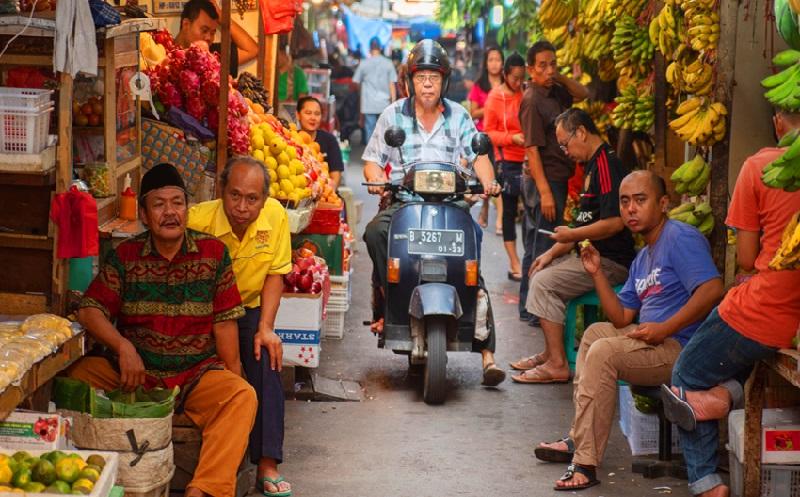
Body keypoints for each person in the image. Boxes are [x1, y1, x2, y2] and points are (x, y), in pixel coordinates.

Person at [70, 163, 257, 497]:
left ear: (187, 208)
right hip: (135, 375)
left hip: (195, 374)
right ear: (143, 213)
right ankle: (93, 478)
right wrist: (123, 348)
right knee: (73, 379)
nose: (170, 212)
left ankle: (203, 489)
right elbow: (90, 310)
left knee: (242, 396)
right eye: (159, 205)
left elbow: (225, 322)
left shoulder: (213, 253)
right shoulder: (125, 255)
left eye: (177, 202)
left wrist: (233, 376)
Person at [533, 170, 723, 491]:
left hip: (682, 350)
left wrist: (664, 328)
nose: (631, 209)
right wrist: (595, 273)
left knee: (604, 352)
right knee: (595, 334)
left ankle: (585, 463)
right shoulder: (642, 258)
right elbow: (621, 317)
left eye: (640, 200)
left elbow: (713, 289)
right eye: (624, 202)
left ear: (663, 204)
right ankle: (580, 438)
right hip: (654, 343)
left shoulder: (679, 237)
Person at [660, 109, 800, 497]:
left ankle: (707, 484)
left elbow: (745, 258)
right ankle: (724, 397)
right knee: (730, 362)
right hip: (793, 323)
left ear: (777, 121)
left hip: (767, 308)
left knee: (687, 374)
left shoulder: (758, 167)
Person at [361, 39, 505, 386]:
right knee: (375, 232)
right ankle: (389, 300)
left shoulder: (459, 116)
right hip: (404, 201)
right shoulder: (392, 115)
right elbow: (371, 161)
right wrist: (378, 179)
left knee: (470, 245)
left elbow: (478, 155)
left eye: (434, 77)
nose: (428, 84)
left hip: (451, 202)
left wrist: (489, 183)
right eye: (421, 76)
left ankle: (486, 349)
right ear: (411, 80)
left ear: (444, 81)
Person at [187, 158, 293, 497]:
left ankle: (267, 462)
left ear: (264, 199)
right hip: (202, 312)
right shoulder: (198, 221)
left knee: (268, 357)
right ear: (221, 192)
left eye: (252, 199)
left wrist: (266, 327)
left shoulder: (275, 216)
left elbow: (275, 274)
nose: (242, 207)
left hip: (247, 310)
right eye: (234, 196)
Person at [510, 109, 635, 383]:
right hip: (593, 256)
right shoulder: (591, 165)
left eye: (565, 144)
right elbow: (581, 226)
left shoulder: (606, 165)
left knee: (544, 283)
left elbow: (615, 222)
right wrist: (551, 251)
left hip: (610, 263)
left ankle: (557, 364)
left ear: (581, 132)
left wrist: (570, 237)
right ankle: (550, 352)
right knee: (542, 268)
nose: (565, 151)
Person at [518, 41, 589, 325]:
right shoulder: (532, 100)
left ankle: (531, 307)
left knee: (544, 241)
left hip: (559, 177)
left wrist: (557, 76)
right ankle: (533, 309)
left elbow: (583, 93)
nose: (548, 70)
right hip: (543, 181)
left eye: (553, 64)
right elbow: (532, 150)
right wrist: (545, 192)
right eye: (542, 65)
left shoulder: (556, 90)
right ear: (530, 69)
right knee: (541, 244)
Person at [483, 52, 526, 281]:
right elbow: (489, 132)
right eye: (515, 78)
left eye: (521, 78)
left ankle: (528, 259)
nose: (518, 83)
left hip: (529, 160)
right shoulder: (495, 98)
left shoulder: (526, 93)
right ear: (506, 75)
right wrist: (512, 138)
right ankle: (514, 262)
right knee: (508, 213)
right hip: (507, 160)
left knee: (529, 211)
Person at [174, 0, 258, 79]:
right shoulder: (164, 53)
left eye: (212, 33)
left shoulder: (213, 56)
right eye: (204, 30)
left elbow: (252, 50)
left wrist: (222, 18)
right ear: (186, 24)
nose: (209, 38)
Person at [469, 47, 504, 233]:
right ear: (486, 63)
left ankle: (489, 212)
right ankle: (496, 217)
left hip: (504, 138)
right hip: (485, 139)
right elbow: (473, 112)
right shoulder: (479, 85)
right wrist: (491, 104)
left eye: (498, 59)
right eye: (491, 60)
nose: (494, 63)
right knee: (489, 177)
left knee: (498, 176)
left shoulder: (508, 84)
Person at [353, 37, 398, 145]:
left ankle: (371, 158)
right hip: (384, 103)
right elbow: (392, 84)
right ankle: (382, 157)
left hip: (369, 103)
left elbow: (356, 81)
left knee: (370, 130)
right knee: (384, 130)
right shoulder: (388, 63)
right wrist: (394, 102)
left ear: (370, 48)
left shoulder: (363, 63)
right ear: (381, 48)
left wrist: (361, 94)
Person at [297, 96, 345, 188]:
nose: (313, 118)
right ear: (298, 114)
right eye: (308, 113)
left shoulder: (329, 140)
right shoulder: (292, 139)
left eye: (317, 114)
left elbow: (336, 176)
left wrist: (328, 192)